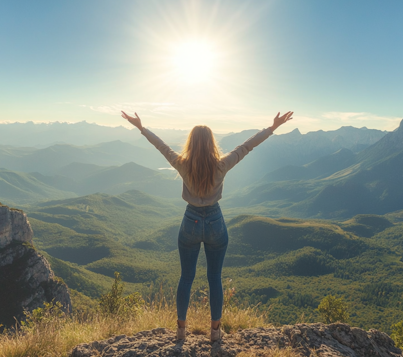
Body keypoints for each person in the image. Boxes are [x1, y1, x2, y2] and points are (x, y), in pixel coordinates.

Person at [121, 110, 293, 342]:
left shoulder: (182, 164)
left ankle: (181, 330)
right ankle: (215, 332)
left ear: (190, 143)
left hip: (190, 221)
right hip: (215, 222)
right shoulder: (221, 166)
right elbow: (246, 147)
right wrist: (272, 128)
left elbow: (161, 146)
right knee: (215, 278)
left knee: (186, 278)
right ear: (212, 143)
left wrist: (141, 128)